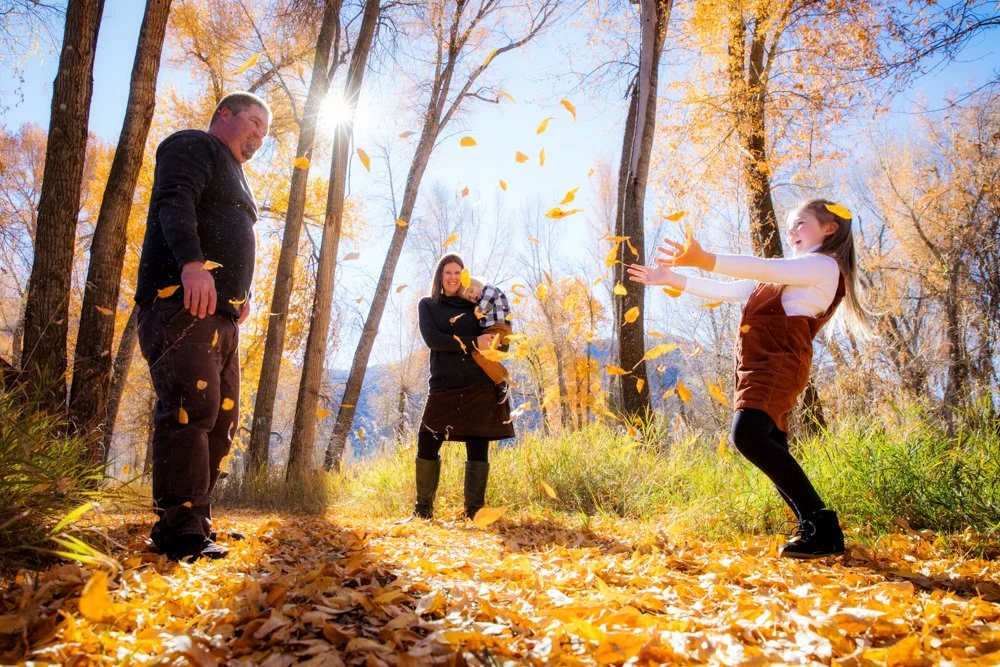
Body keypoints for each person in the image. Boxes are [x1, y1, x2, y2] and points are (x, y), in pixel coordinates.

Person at [627, 199, 869, 558]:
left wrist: (705, 258)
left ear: (829, 229)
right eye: (790, 224)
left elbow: (763, 266)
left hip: (780, 361)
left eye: (800, 223)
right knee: (771, 443)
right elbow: (731, 291)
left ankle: (821, 525)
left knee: (747, 435)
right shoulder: (788, 276)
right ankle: (815, 528)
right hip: (756, 363)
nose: (791, 230)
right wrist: (671, 278)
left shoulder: (823, 265)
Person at [134, 92, 270, 560]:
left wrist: (240, 296)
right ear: (224, 114)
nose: (259, 135)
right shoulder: (192, 144)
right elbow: (174, 201)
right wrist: (192, 264)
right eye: (254, 122)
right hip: (179, 301)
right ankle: (179, 530)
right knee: (190, 408)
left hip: (221, 315)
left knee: (222, 420)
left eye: (266, 131)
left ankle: (196, 519)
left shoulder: (237, 176)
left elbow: (231, 236)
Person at [410, 254, 515, 521]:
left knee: (478, 445)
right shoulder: (428, 305)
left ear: (464, 276)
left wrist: (494, 343)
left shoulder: (475, 305)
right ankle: (423, 511)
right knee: (427, 441)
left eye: (458, 272)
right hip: (443, 385)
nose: (453, 277)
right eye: (448, 272)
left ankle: (474, 513)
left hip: (479, 384)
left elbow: (498, 339)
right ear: (440, 276)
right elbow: (434, 340)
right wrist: (473, 342)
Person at [460, 277, 513, 401]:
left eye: (471, 291)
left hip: (499, 328)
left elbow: (481, 310)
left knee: (479, 352)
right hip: (492, 330)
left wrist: (469, 310)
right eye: (469, 297)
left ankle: (503, 379)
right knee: (479, 353)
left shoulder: (489, 288)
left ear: (477, 284)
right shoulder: (482, 297)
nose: (472, 296)